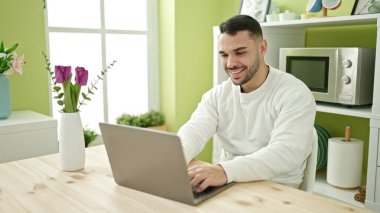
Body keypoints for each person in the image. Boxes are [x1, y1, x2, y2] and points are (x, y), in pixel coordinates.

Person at [177, 15, 316, 192]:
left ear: (262, 47)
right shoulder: (218, 96)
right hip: (228, 184)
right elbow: (193, 131)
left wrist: (224, 170)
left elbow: (285, 153)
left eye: (240, 52)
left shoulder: (294, 93)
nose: (230, 63)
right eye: (224, 55)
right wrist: (174, 160)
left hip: (276, 189)